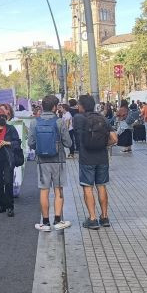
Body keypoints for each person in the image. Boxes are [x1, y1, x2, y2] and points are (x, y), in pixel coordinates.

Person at [72, 95, 117, 230]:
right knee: (101, 186)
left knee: (88, 187)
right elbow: (114, 138)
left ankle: (92, 219)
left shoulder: (78, 118)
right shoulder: (101, 118)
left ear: (82, 106)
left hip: (86, 158)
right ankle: (104, 217)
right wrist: (104, 144)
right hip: (102, 157)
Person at [29, 95, 73, 232]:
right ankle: (58, 220)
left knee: (44, 191)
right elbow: (68, 143)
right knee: (58, 190)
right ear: (55, 107)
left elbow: (31, 143)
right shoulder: (59, 122)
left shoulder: (34, 123)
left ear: (42, 107)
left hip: (42, 161)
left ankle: (46, 222)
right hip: (58, 160)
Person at [0, 106, 21, 217]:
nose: (0, 118)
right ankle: (2, 205)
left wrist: (7, 143)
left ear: (6, 117)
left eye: (2, 116)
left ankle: (10, 207)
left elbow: (17, 143)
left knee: (8, 182)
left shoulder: (11, 129)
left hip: (8, 160)